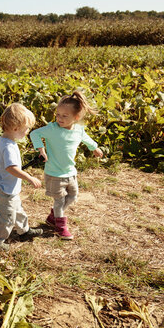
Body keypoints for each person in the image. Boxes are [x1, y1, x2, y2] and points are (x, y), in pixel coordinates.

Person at [29, 91, 104, 240]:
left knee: (73, 196)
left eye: (65, 116)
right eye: (58, 114)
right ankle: (60, 226)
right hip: (54, 173)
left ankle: (53, 217)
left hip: (70, 172)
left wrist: (94, 148)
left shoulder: (78, 130)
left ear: (75, 118)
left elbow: (86, 139)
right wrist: (41, 150)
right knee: (59, 200)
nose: (59, 118)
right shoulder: (52, 129)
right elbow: (34, 134)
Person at [0, 103, 43, 252]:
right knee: (6, 217)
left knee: (17, 210)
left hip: (6, 187)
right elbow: (11, 168)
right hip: (6, 190)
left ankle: (24, 231)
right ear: (15, 128)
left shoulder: (3, 140)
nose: (27, 132)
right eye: (26, 129)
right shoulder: (9, 146)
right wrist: (29, 178)